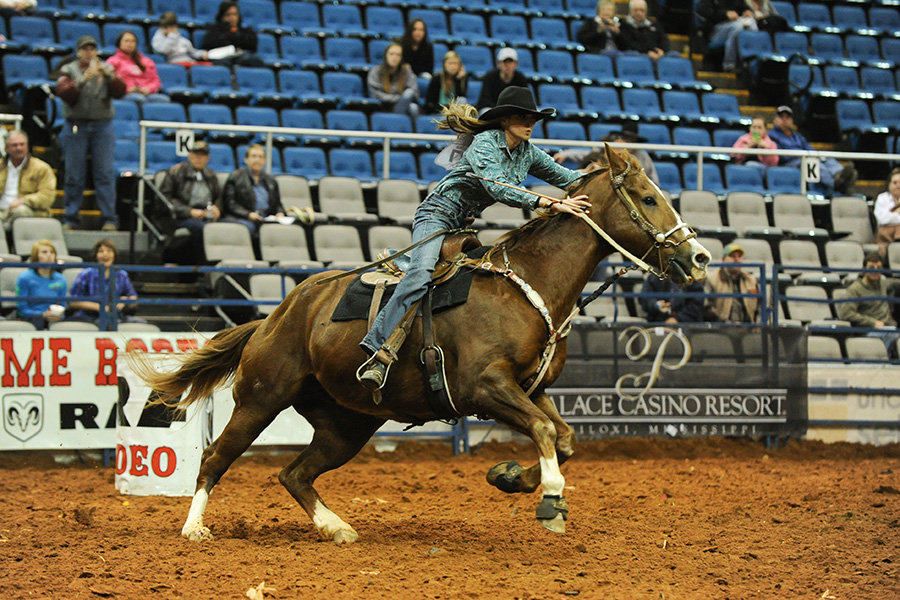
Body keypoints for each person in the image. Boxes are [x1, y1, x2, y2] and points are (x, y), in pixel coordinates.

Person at [358, 87, 594, 390]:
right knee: (419, 274)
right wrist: (549, 203)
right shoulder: (484, 144)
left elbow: (568, 177)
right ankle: (376, 346)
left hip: (462, 226)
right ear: (506, 119)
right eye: (523, 117)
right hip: (436, 215)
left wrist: (605, 178)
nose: (530, 122)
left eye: (533, 117)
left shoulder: (528, 152)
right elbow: (497, 186)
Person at [55, 35, 125, 232]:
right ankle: (70, 218)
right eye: (85, 49)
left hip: (102, 126)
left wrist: (109, 76)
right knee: (74, 174)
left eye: (92, 49)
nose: (89, 52)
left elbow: (121, 91)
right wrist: (82, 81)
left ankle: (109, 219)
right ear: (78, 51)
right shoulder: (69, 70)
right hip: (76, 126)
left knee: (104, 174)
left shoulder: (107, 69)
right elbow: (64, 92)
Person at [768, 105, 857, 196]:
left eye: (787, 117)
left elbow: (808, 147)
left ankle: (841, 174)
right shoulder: (771, 135)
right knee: (814, 164)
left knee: (827, 159)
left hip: (805, 156)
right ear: (775, 120)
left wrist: (816, 155)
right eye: (781, 117)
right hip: (792, 161)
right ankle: (835, 184)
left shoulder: (797, 135)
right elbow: (781, 155)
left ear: (792, 121)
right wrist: (803, 155)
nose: (784, 120)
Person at [159, 141, 222, 264]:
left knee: (225, 227)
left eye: (202, 155)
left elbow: (218, 198)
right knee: (201, 228)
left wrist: (217, 207)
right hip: (180, 216)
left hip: (205, 214)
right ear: (189, 155)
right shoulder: (175, 172)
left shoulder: (211, 175)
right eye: (196, 154)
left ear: (207, 158)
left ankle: (220, 266)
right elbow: (164, 200)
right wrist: (189, 212)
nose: (199, 158)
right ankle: (203, 268)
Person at [837, 251, 900, 357]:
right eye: (871, 267)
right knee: (891, 337)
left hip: (889, 328)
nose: (875, 271)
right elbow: (846, 313)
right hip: (868, 331)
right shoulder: (855, 289)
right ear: (864, 268)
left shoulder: (884, 283)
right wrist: (872, 322)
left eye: (878, 267)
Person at [552, 123, 660, 185]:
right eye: (627, 140)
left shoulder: (643, 156)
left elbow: (654, 181)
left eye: (632, 140)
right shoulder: (602, 157)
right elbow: (586, 154)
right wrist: (565, 154)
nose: (628, 144)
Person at [68, 239, 139, 328]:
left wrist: (124, 301)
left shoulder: (122, 275)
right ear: (96, 255)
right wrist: (98, 307)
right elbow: (73, 301)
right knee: (106, 325)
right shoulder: (86, 274)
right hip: (88, 317)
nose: (105, 254)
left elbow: (134, 299)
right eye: (101, 251)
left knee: (143, 323)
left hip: (116, 317)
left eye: (109, 251)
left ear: (114, 255)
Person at [221, 144, 284, 240]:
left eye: (261, 157)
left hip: (265, 217)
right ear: (246, 159)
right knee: (249, 228)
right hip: (242, 217)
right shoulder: (236, 177)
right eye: (254, 156)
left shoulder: (271, 180)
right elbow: (230, 204)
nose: (257, 160)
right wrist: (248, 214)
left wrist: (280, 213)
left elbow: (278, 204)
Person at [0, 130, 56, 228]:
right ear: (6, 148)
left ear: (27, 146)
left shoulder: (41, 168)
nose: (19, 148)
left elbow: (47, 196)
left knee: (20, 211)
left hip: (29, 211)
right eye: (14, 145)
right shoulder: (1, 166)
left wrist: (24, 201)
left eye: (22, 144)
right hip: (2, 211)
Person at [105, 30, 169, 104]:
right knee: (139, 99)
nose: (130, 44)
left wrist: (148, 89)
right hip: (125, 93)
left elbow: (155, 80)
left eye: (133, 41)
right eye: (127, 41)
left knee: (164, 99)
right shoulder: (112, 61)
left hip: (146, 93)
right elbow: (111, 81)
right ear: (119, 43)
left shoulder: (147, 61)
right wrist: (127, 89)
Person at [15, 239, 67, 330]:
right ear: (36, 256)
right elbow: (21, 309)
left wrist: (60, 315)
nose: (49, 255)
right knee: (38, 322)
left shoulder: (61, 279)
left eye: (52, 252)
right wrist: (42, 315)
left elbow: (63, 304)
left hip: (54, 318)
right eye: (44, 252)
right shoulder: (24, 278)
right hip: (32, 318)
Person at [704, 243, 760, 323]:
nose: (737, 259)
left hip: (749, 327)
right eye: (733, 256)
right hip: (721, 328)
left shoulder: (751, 280)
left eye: (739, 257)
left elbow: (760, 306)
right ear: (723, 259)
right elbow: (707, 307)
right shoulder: (712, 279)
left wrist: (758, 325)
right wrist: (726, 323)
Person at [696, 0, 758, 73]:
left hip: (735, 23)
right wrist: (725, 14)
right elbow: (705, 12)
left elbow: (745, 8)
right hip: (715, 29)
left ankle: (751, 63)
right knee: (737, 27)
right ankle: (729, 65)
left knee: (752, 26)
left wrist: (747, 11)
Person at [201, 0, 263, 67]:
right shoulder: (214, 31)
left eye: (234, 14)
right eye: (228, 15)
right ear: (221, 17)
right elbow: (210, 44)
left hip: (242, 57)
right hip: (223, 58)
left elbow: (252, 45)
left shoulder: (246, 32)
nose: (232, 18)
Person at [367, 42, 420, 119]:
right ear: (386, 56)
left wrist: (402, 99)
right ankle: (395, 120)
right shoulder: (375, 71)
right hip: (383, 105)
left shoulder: (406, 71)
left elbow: (414, 91)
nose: (394, 57)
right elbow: (375, 94)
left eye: (398, 55)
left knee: (413, 106)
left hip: (402, 104)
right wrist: (398, 98)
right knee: (408, 94)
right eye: (391, 54)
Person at [639, 273, 705, 323]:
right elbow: (644, 298)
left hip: (686, 322)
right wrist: (656, 305)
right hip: (658, 321)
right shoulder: (654, 277)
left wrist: (677, 319)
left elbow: (696, 304)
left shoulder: (692, 279)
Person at [873, 167, 900, 259]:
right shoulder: (882, 198)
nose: (898, 185)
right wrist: (898, 213)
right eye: (895, 183)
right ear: (889, 185)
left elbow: (888, 217)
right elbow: (882, 219)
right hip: (885, 233)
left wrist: (893, 214)